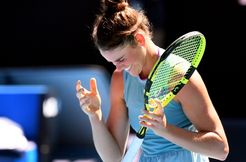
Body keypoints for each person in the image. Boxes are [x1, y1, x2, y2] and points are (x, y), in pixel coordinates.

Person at [75, 0, 229, 161]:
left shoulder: (179, 73)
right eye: (112, 62)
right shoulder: (120, 78)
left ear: (139, 39)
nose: (118, 67)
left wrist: (165, 130)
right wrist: (95, 116)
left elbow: (221, 149)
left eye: (121, 59)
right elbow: (112, 158)